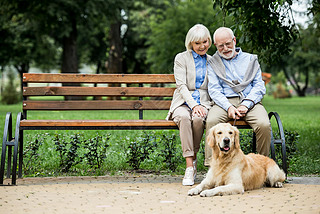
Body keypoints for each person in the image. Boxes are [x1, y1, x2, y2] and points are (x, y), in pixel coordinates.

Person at [205, 27, 271, 165]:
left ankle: (262, 165)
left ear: (234, 40)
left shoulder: (250, 60)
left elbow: (259, 86)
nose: (225, 48)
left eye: (228, 44)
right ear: (216, 46)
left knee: (263, 124)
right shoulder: (213, 63)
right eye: (221, 46)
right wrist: (228, 107)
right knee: (212, 122)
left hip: (249, 102)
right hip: (224, 102)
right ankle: (212, 166)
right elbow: (214, 90)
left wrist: (246, 104)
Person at [166, 24, 213, 186]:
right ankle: (189, 167)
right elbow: (181, 86)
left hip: (204, 103)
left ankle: (192, 158)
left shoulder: (213, 61)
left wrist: (201, 107)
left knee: (199, 120)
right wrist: (193, 105)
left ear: (209, 41)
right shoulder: (181, 58)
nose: (202, 46)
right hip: (182, 102)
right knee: (185, 118)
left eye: (205, 42)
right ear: (190, 44)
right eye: (197, 43)